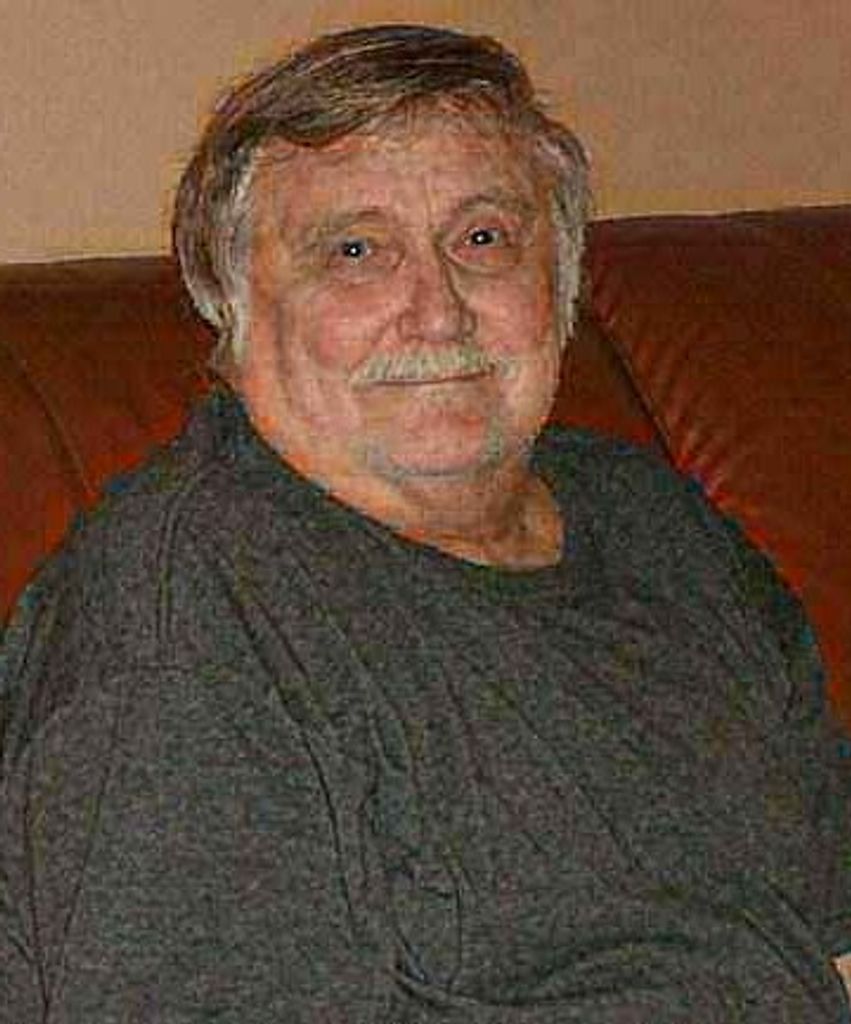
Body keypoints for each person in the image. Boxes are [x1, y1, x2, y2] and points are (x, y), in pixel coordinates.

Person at [0, 24, 848, 1023]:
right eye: (355, 252)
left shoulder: (651, 517)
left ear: (561, 282)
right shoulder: (192, 616)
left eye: (482, 239)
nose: (437, 311)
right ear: (231, 308)